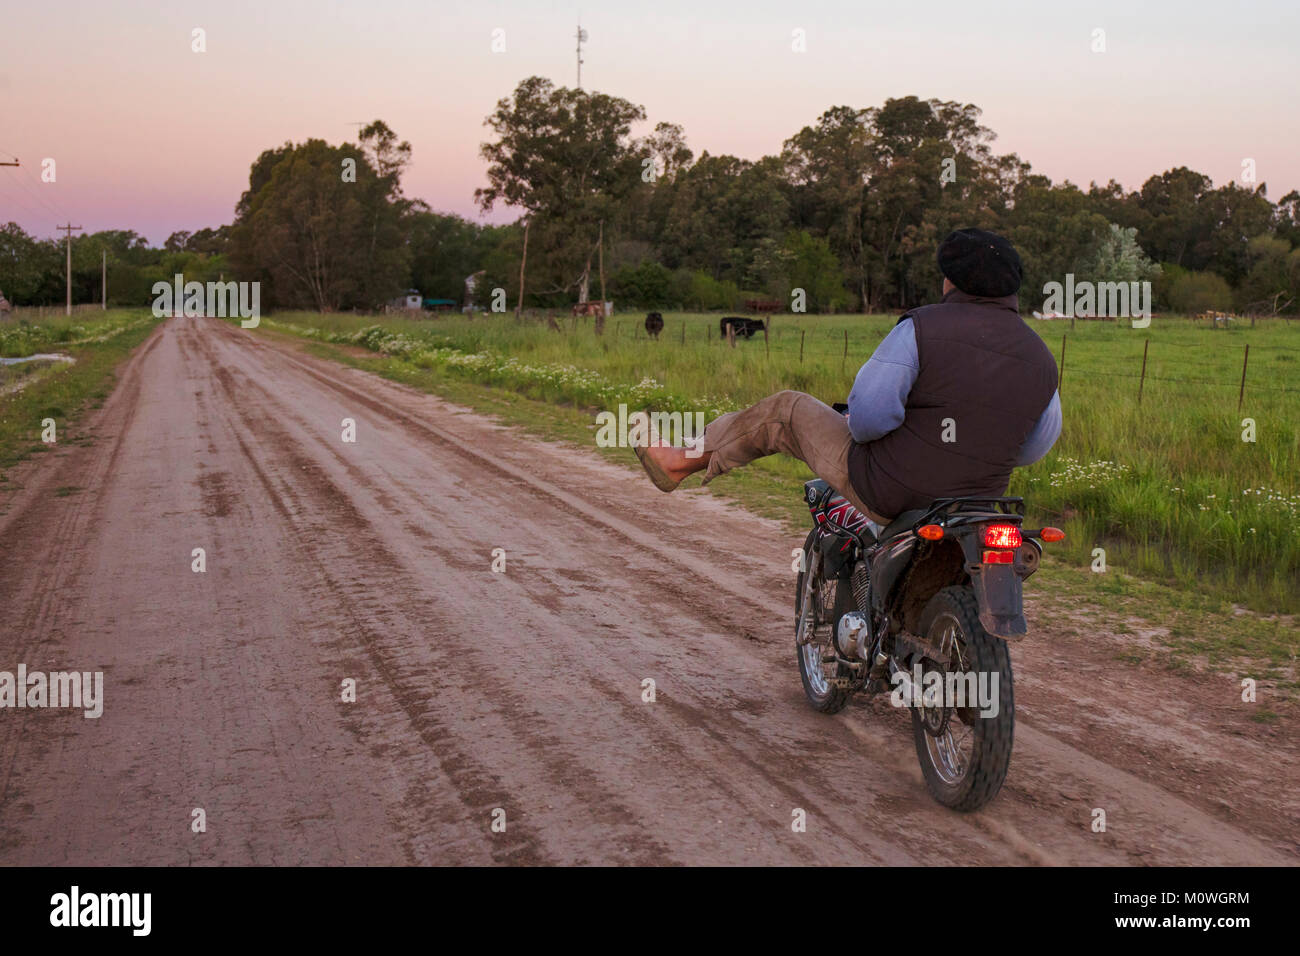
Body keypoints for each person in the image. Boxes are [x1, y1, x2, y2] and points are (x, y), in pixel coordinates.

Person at [633, 228, 1062, 523]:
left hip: (893, 491)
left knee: (785, 411)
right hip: (981, 507)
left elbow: (868, 419)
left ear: (949, 281)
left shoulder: (921, 328)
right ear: (1012, 289)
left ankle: (679, 462)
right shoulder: (1041, 356)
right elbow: (1031, 449)